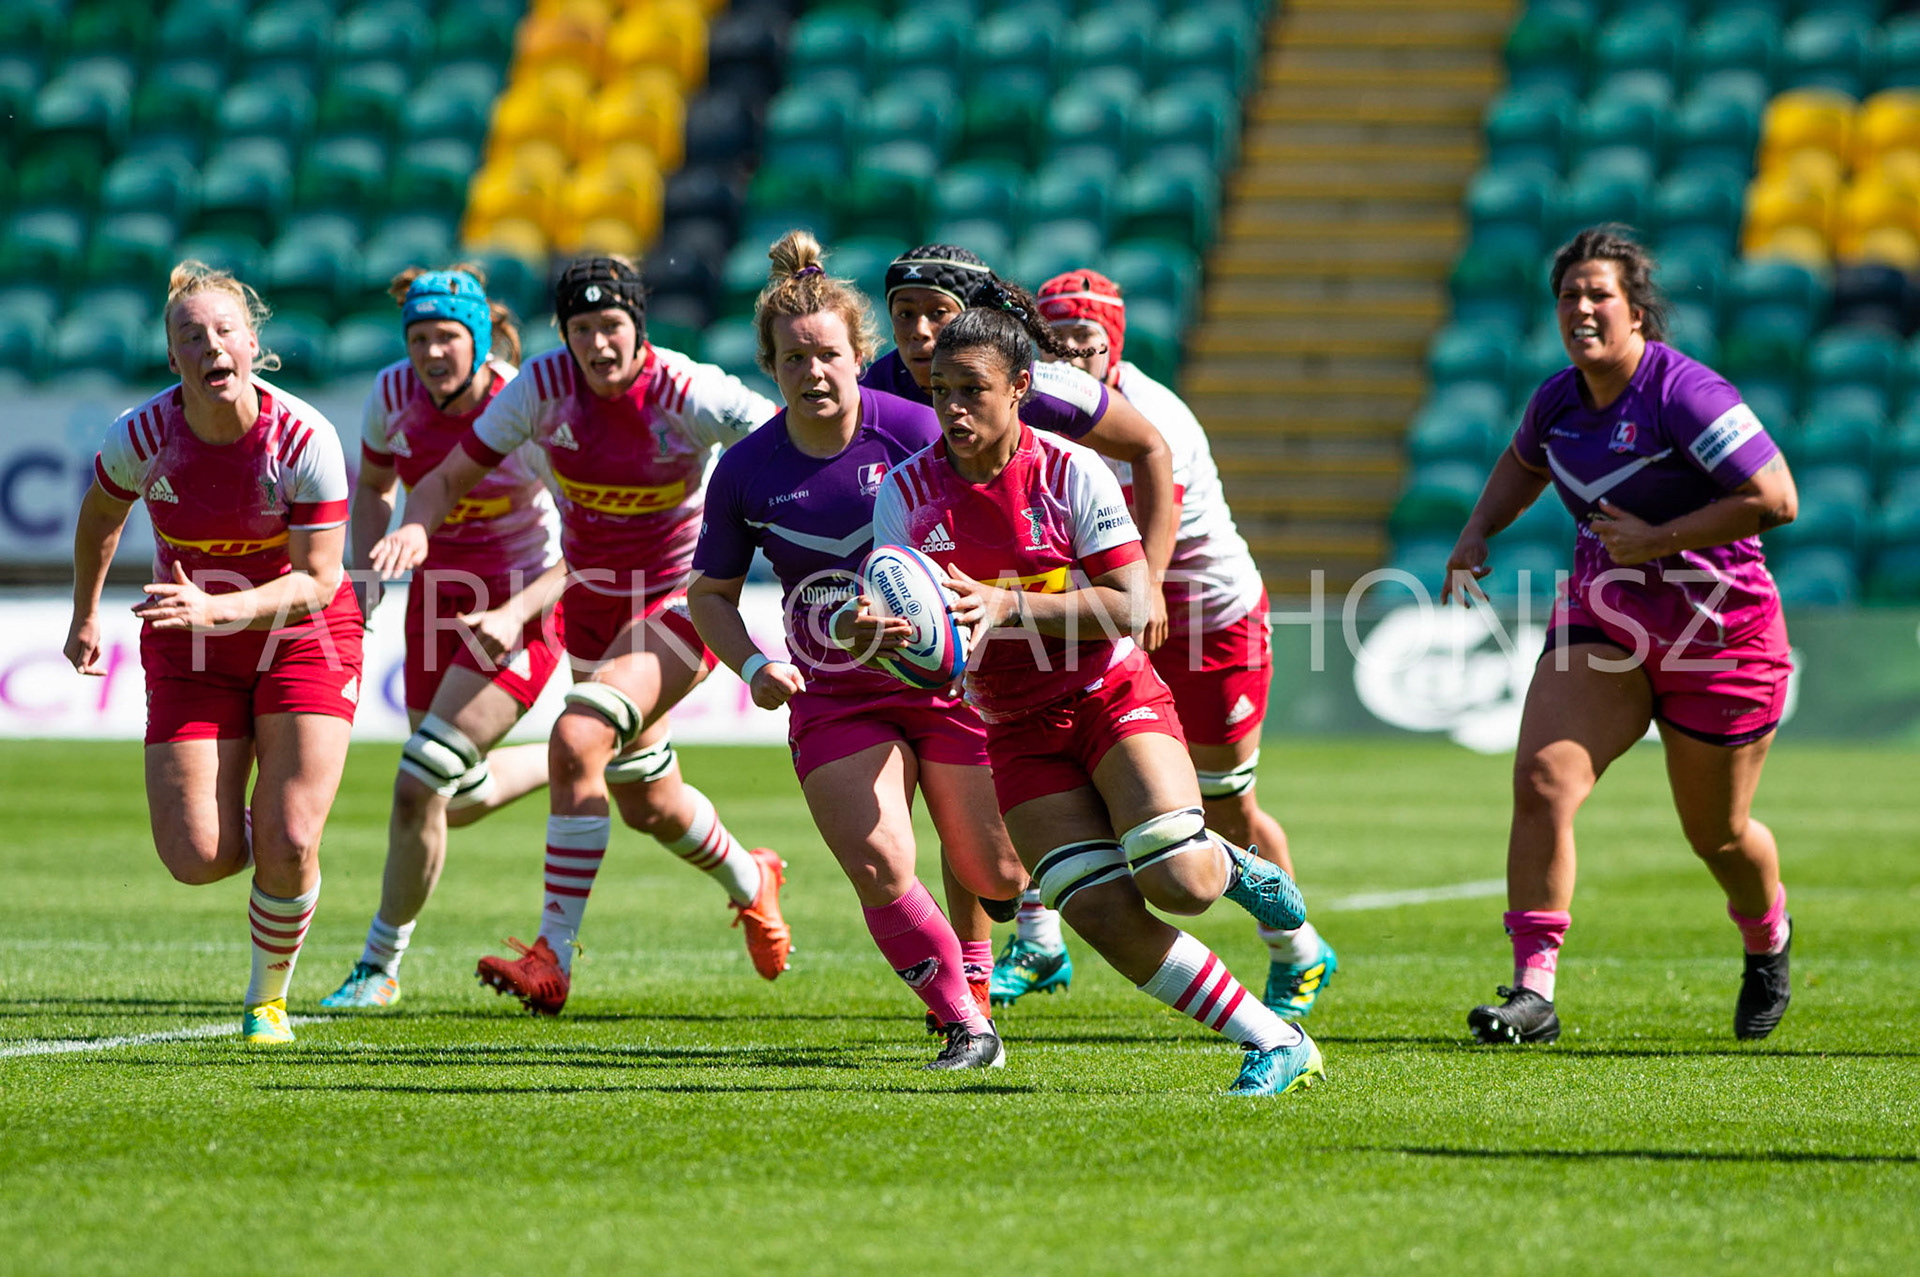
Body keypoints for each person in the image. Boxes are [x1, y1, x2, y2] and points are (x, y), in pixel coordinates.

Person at [869, 305, 1325, 1094]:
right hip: (1011, 727)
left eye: (972, 389)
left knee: (1179, 882)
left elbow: (1129, 601)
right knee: (1103, 916)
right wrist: (866, 630)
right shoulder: (906, 492)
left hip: (1106, 694)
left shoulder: (1069, 473)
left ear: (1020, 387)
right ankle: (1276, 1040)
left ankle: (1228, 861)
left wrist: (1006, 605)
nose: (952, 407)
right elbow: (904, 618)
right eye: (940, 389)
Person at [368, 255, 790, 1015]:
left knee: (576, 738)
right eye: (583, 329)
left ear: (640, 328)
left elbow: (789, 445)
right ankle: (754, 880)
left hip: (681, 601)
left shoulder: (689, 391)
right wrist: (417, 528)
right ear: (563, 334)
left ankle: (551, 956)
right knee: (649, 800)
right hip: (594, 608)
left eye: (613, 327)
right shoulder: (540, 390)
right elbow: (443, 479)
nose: (599, 345)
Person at [1443, 226, 1800, 1044]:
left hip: (1722, 635)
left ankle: (1766, 937)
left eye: (1598, 293)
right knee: (1541, 781)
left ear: (1638, 310)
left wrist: (1657, 539)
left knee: (1717, 834)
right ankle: (1532, 991)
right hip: (1605, 618)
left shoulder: (1686, 393)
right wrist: (1477, 530)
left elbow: (1778, 498)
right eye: (1568, 295)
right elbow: (1523, 461)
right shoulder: (1557, 401)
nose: (1581, 308)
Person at [687, 231, 1027, 1067]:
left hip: (950, 676)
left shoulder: (919, 429)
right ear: (771, 366)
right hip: (834, 690)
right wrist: (757, 664)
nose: (813, 373)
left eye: (828, 355)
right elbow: (709, 596)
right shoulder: (745, 472)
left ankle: (976, 967)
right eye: (794, 359)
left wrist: (961, 603)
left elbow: (1000, 526)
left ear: (857, 355)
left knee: (1000, 873)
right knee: (880, 859)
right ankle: (962, 1018)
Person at [986, 268, 1339, 1019]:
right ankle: (1041, 939)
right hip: (1105, 620)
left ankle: (1297, 945)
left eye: (1088, 342)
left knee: (1222, 811)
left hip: (1207, 622)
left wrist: (1105, 601)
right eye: (1061, 344)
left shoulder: (1155, 418)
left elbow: (1149, 561)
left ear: (1113, 344)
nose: (1074, 358)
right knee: (1042, 759)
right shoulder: (1036, 407)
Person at [863, 243, 1180, 1002]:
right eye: (904, 316)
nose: (919, 335)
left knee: (1144, 856)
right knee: (968, 821)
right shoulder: (875, 384)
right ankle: (1010, 952)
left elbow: (1151, 446)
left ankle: (1034, 937)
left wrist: (1151, 583)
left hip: (1049, 576)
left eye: (937, 316)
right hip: (940, 589)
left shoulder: (1055, 394)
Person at [64, 260, 362, 1044]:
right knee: (198, 855)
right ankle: (275, 857)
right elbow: (98, 519)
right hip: (189, 641)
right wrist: (85, 615)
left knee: (290, 834)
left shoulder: (304, 438)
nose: (210, 344)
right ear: (172, 358)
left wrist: (218, 605)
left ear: (252, 343)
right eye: (190, 335)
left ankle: (267, 999)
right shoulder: (140, 436)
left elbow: (320, 578)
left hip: (306, 634)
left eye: (224, 330)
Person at [321, 266, 569, 1009]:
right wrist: (364, 579)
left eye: (448, 338)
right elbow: (374, 488)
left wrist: (516, 611)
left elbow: (591, 542)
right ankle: (573, 756)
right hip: (435, 602)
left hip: (522, 607)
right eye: (420, 337)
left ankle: (378, 964)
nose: (432, 353)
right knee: (445, 798)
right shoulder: (392, 394)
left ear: (481, 340)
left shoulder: (523, 407)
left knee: (416, 783)